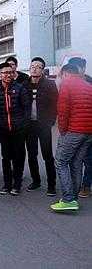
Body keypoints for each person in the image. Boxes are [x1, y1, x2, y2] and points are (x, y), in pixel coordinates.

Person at [51, 64, 92, 212]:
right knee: (76, 163)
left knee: (61, 162)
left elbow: (63, 111)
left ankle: (68, 199)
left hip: (73, 130)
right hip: (88, 132)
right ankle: (73, 198)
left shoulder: (66, 85)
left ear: (64, 73)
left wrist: (62, 131)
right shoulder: (88, 86)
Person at [0, 62, 31, 196]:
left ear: (13, 74)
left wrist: (24, 124)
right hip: (4, 130)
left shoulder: (20, 88)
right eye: (4, 73)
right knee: (6, 157)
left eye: (10, 72)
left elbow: (27, 108)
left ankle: (17, 184)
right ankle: (7, 184)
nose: (8, 75)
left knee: (18, 157)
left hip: (19, 128)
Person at [22, 57, 58, 196]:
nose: (34, 68)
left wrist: (51, 121)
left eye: (38, 66)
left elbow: (54, 104)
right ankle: (36, 181)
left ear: (42, 70)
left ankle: (51, 185)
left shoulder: (49, 84)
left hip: (43, 124)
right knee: (32, 155)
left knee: (47, 155)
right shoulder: (25, 85)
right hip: (29, 125)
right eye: (32, 66)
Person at [68, 58, 92, 198]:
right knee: (74, 159)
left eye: (77, 67)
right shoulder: (68, 82)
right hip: (73, 128)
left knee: (88, 159)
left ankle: (86, 185)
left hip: (87, 128)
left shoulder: (89, 82)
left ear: (83, 68)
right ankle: (74, 185)